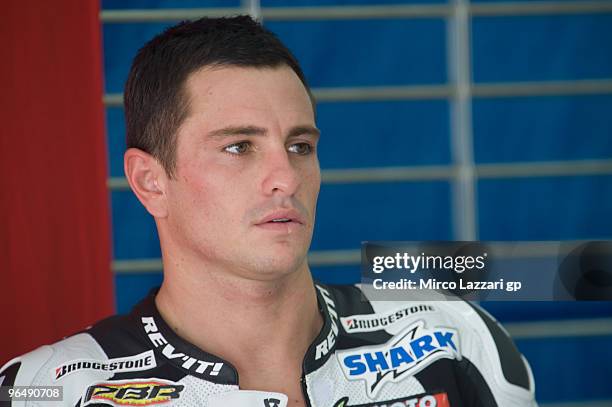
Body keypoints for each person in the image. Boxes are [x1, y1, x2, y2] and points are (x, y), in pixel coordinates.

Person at [0, 16, 537, 407]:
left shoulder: (452, 336)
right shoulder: (49, 390)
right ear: (150, 181)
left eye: (300, 146)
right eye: (239, 147)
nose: (285, 178)